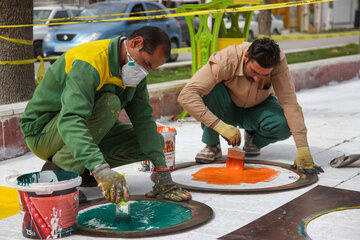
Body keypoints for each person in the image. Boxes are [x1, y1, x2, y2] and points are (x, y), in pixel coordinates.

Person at [20, 26, 192, 204]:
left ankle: (84, 171)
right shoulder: (89, 63)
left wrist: (163, 173)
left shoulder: (135, 71)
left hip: (81, 128)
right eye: (146, 63)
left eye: (151, 68)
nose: (145, 71)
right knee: (109, 104)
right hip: (43, 132)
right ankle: (59, 173)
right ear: (136, 43)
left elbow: (143, 120)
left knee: (155, 141)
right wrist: (101, 168)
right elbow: (71, 121)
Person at [178, 38, 323, 175]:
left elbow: (289, 103)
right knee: (211, 90)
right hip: (226, 109)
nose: (256, 79)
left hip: (257, 108)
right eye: (254, 71)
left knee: (284, 124)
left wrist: (303, 148)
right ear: (246, 56)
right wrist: (219, 125)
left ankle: (253, 139)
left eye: (264, 75)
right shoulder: (226, 60)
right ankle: (212, 145)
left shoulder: (278, 62)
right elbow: (186, 96)